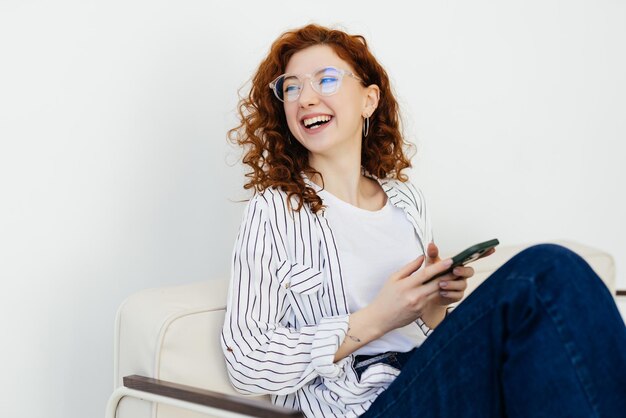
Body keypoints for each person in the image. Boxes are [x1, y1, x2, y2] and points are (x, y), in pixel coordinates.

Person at [221, 24, 626, 418]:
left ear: (369, 100)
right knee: (544, 273)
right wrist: (377, 318)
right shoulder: (274, 209)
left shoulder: (406, 201)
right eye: (291, 86)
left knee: (554, 294)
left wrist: (432, 303)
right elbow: (247, 362)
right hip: (363, 404)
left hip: (427, 377)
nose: (305, 97)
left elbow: (426, 329)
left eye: (325, 79)